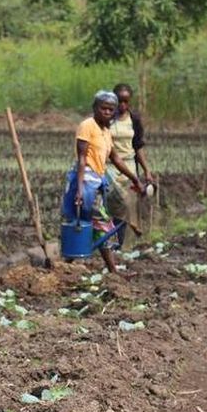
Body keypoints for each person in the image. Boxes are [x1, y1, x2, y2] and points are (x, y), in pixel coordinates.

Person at [62, 90, 145, 275]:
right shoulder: (87, 126)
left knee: (87, 222)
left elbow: (115, 158)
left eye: (110, 109)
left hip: (97, 182)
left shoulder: (106, 131)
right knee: (101, 222)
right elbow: (82, 158)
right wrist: (79, 189)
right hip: (85, 181)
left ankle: (67, 262)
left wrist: (135, 179)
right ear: (95, 108)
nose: (107, 112)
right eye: (103, 108)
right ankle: (112, 270)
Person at [107, 83, 155, 243]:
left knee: (128, 204)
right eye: (119, 101)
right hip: (110, 167)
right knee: (115, 204)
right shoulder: (107, 119)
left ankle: (118, 244)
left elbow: (138, 146)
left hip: (129, 167)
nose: (122, 105)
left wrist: (146, 170)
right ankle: (110, 242)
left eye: (126, 102)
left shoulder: (134, 120)